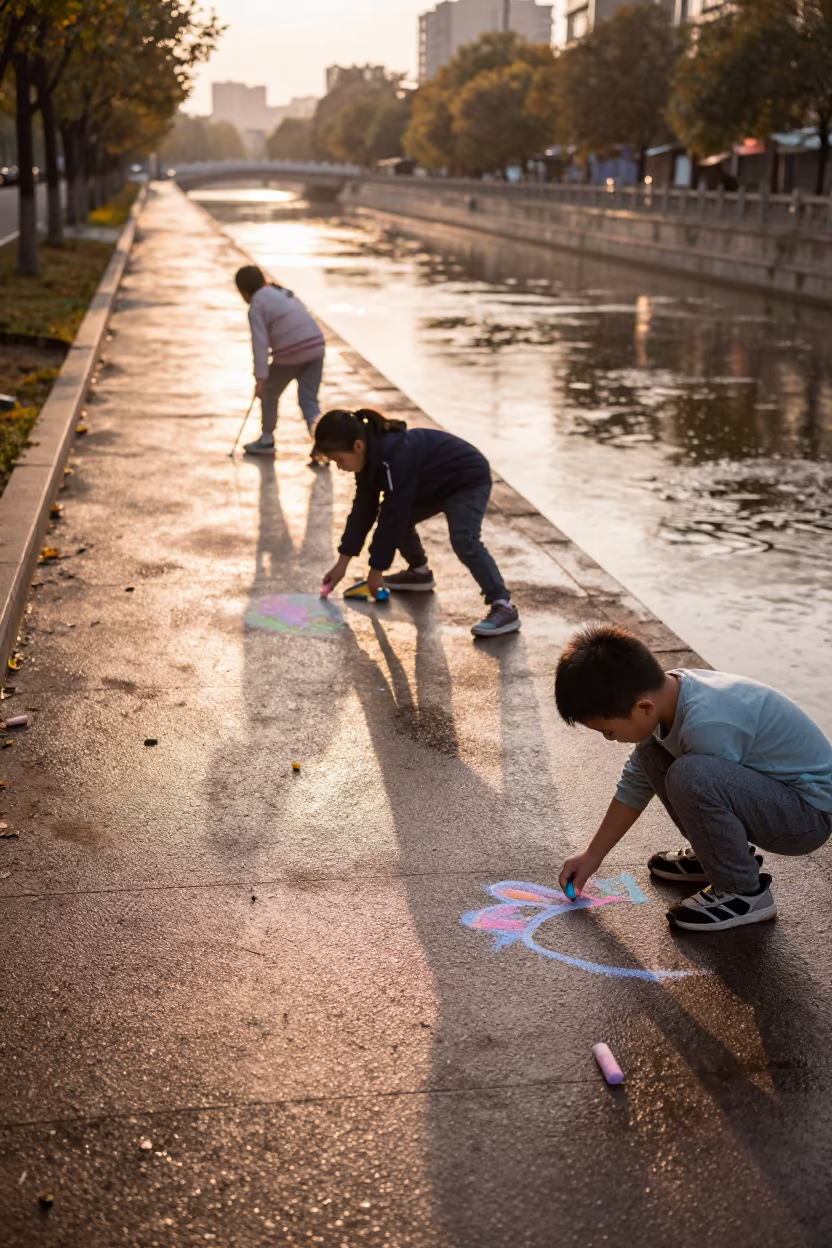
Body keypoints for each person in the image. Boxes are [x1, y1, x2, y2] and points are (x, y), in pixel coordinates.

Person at [554, 625, 832, 932]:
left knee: (692, 777)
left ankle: (744, 893)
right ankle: (714, 857)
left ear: (643, 707)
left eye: (608, 731)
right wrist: (593, 855)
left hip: (806, 817)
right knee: (651, 754)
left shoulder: (708, 723)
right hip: (778, 797)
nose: (609, 739)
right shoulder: (668, 693)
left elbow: (707, 792)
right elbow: (636, 781)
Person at [316, 408, 520, 637]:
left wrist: (376, 571)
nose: (339, 467)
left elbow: (393, 515)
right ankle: (419, 573)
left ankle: (503, 605)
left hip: (466, 479)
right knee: (394, 515)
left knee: (465, 539)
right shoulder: (369, 461)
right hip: (433, 483)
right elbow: (363, 512)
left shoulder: (393, 458)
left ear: (358, 446)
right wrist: (342, 564)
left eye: (339, 460)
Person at [235, 264, 325, 458]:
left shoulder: (257, 304)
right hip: (316, 345)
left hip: (291, 352)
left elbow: (260, 345)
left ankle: (267, 439)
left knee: (268, 392)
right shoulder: (280, 291)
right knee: (309, 399)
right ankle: (321, 444)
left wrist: (260, 378)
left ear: (244, 290)